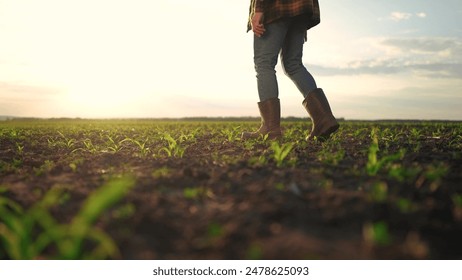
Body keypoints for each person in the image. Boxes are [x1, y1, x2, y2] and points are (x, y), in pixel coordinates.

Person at [242, 0, 339, 141]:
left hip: (275, 7)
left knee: (264, 64)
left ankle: (270, 128)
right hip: (302, 9)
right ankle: (324, 120)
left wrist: (258, 9)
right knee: (293, 65)